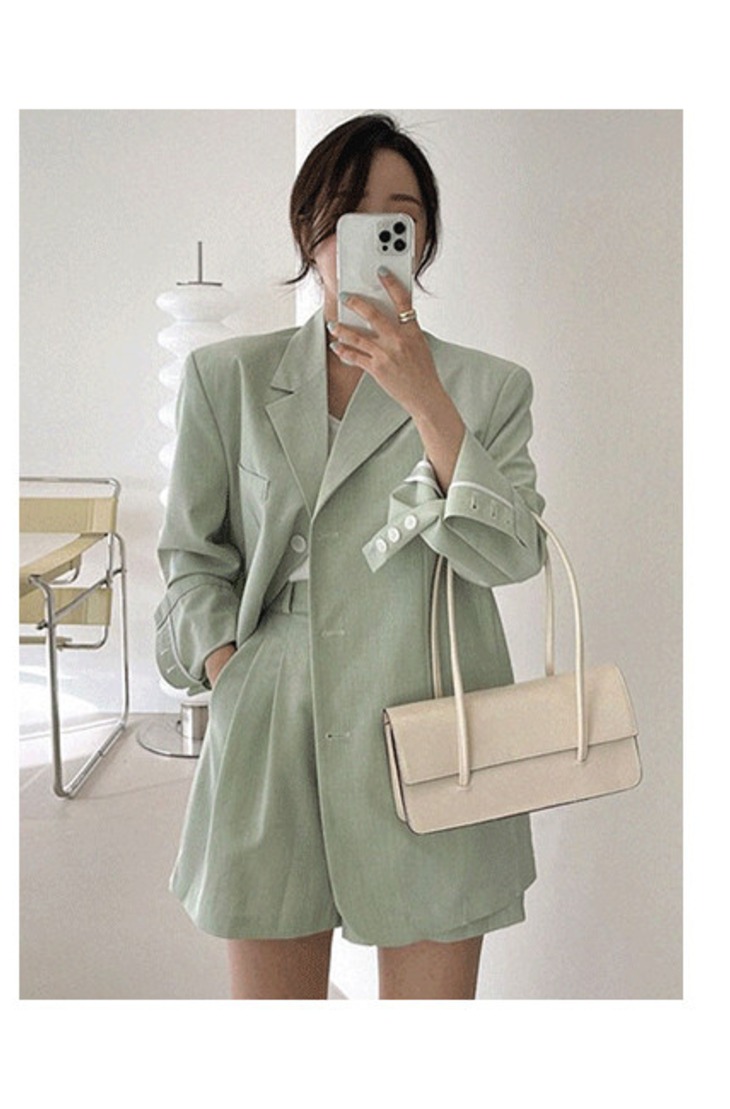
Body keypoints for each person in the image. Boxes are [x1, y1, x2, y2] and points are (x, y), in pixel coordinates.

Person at [155, 113, 546, 999]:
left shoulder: (489, 387)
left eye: (398, 217)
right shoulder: (228, 378)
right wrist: (229, 667)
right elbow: (191, 554)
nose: (372, 233)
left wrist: (425, 398)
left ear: (424, 238)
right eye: (348, 214)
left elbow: (510, 554)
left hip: (431, 711)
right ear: (311, 232)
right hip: (271, 719)